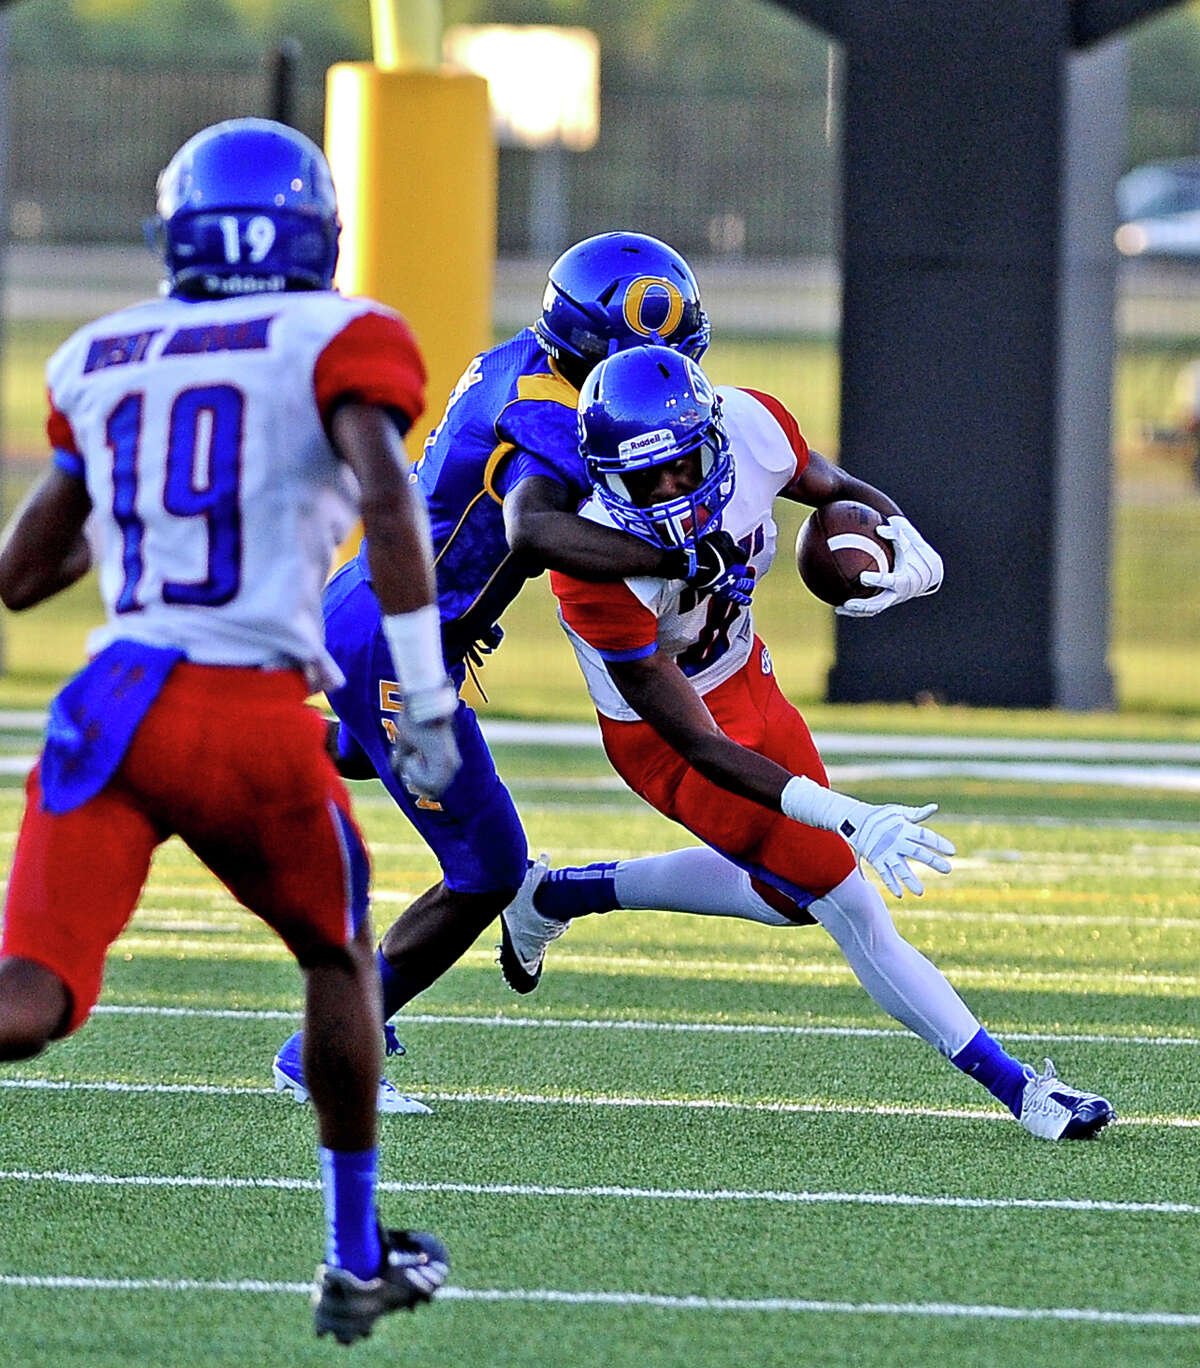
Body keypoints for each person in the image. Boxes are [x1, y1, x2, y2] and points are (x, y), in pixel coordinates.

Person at [0, 118, 455, 1343]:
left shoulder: (100, 353)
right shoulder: (340, 332)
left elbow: (23, 572)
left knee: (26, 1005)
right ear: (313, 230)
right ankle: (355, 1254)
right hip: (248, 709)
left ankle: (361, 1255)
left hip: (113, 703)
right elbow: (386, 493)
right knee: (339, 961)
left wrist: (136, 504)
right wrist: (430, 697)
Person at [500, 343, 1115, 1143]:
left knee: (791, 895)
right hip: (665, 734)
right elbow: (698, 743)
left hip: (748, 675)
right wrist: (848, 815)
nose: (669, 492)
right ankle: (1022, 1092)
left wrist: (902, 538)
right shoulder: (593, 567)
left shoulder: (751, 425)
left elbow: (832, 487)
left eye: (682, 468)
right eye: (641, 479)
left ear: (711, 437)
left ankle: (555, 894)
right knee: (844, 896)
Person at [271, 232, 756, 1110]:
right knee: (490, 869)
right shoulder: (551, 412)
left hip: (385, 608)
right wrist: (685, 564)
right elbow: (532, 528)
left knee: (353, 753)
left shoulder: (527, 361)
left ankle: (222, 736)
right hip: (395, 630)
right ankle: (324, 1051)